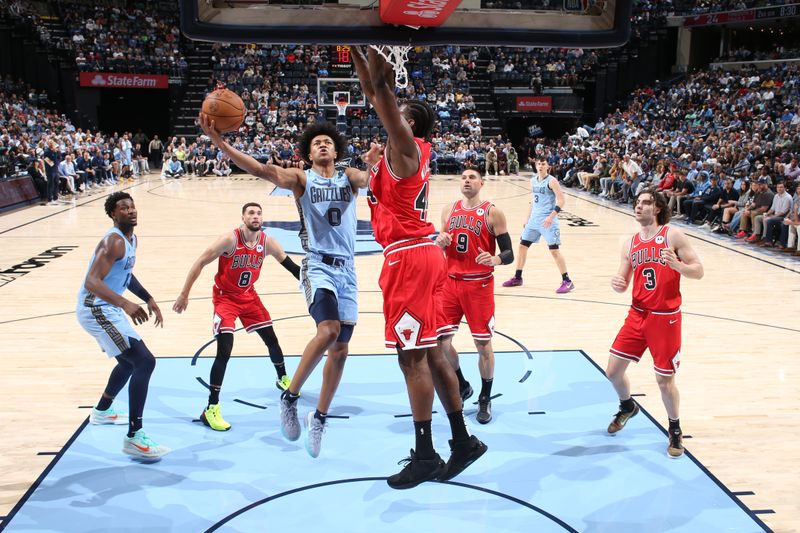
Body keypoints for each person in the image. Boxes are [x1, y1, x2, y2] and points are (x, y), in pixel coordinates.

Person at [198, 115, 374, 459]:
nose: (323, 144)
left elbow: (374, 182)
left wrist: (378, 163)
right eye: (315, 142)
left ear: (336, 150)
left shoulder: (349, 177)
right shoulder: (300, 178)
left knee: (340, 350)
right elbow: (260, 170)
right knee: (328, 331)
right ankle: (290, 397)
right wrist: (220, 143)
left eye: (328, 142)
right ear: (308, 154)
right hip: (319, 264)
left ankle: (319, 418)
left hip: (349, 270)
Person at [353, 46, 486, 490]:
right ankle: (463, 442)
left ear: (410, 124)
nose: (387, 117)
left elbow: (381, 93)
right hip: (422, 255)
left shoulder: (407, 149)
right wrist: (354, 46)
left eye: (397, 115)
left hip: (409, 258)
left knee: (411, 361)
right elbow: (374, 91)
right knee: (430, 352)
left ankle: (426, 454)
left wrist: (373, 47)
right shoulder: (395, 156)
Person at [172, 202, 301, 431]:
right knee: (225, 350)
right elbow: (200, 262)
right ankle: (211, 407)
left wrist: (313, 283)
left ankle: (282, 377)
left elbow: (291, 266)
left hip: (249, 297)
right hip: (225, 299)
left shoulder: (267, 242)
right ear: (243, 217)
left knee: (271, 339)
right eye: (251, 213)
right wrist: (184, 294)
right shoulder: (229, 240)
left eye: (259, 213)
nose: (256, 216)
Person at [606, 188, 704, 458]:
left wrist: (680, 267)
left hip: (665, 317)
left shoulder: (671, 235)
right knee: (613, 372)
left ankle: (674, 428)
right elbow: (622, 282)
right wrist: (617, 284)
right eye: (637, 203)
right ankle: (627, 406)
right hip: (637, 313)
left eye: (646, 203)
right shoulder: (629, 243)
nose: (639, 207)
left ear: (658, 208)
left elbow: (699, 270)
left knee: (664, 380)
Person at [76, 192, 170, 460]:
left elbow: (126, 275)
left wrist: (148, 298)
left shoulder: (132, 239)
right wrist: (126, 305)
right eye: (123, 208)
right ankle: (134, 437)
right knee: (144, 362)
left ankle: (103, 410)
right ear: (113, 214)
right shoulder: (112, 242)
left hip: (108, 307)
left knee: (130, 362)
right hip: (95, 309)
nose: (130, 210)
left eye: (132, 206)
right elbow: (92, 282)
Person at [436, 168, 513, 424]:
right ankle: (462, 383)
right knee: (440, 341)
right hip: (450, 283)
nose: (467, 181)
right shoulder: (449, 210)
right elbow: (440, 244)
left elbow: (509, 253)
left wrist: (496, 259)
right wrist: (440, 241)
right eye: (463, 177)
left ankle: (485, 397)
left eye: (472, 177)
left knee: (482, 345)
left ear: (481, 183)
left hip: (478, 285)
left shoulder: (493, 212)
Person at [502, 156, 574, 293]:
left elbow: (561, 200)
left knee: (554, 250)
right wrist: (527, 218)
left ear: (548, 166)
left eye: (543, 164)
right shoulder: (533, 180)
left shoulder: (552, 181)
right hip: (534, 221)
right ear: (536, 165)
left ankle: (567, 281)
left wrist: (551, 217)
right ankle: (518, 277)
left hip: (548, 221)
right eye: (539, 164)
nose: (540, 166)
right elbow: (533, 201)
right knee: (522, 247)